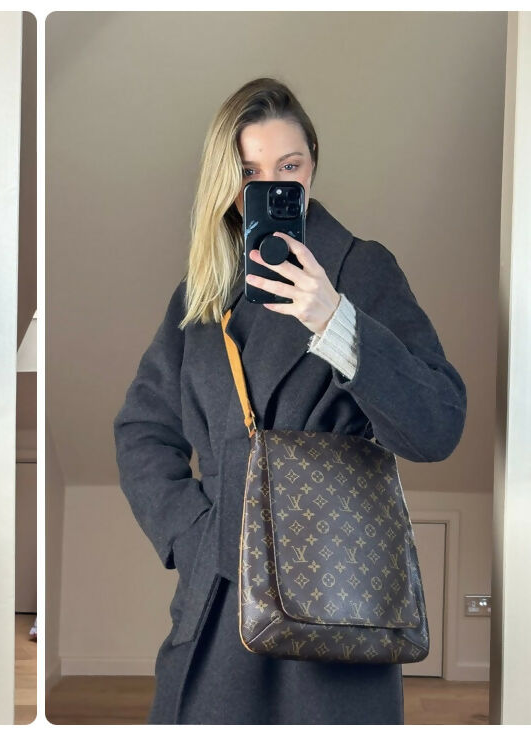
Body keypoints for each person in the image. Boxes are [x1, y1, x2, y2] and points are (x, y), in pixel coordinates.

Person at [113, 77, 466, 724]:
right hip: (218, 596)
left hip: (332, 598)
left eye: (287, 166)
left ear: (311, 166)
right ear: (224, 180)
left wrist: (334, 320)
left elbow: (436, 425)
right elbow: (141, 429)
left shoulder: (359, 270)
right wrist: (196, 535)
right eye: (248, 171)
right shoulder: (199, 298)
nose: (269, 186)